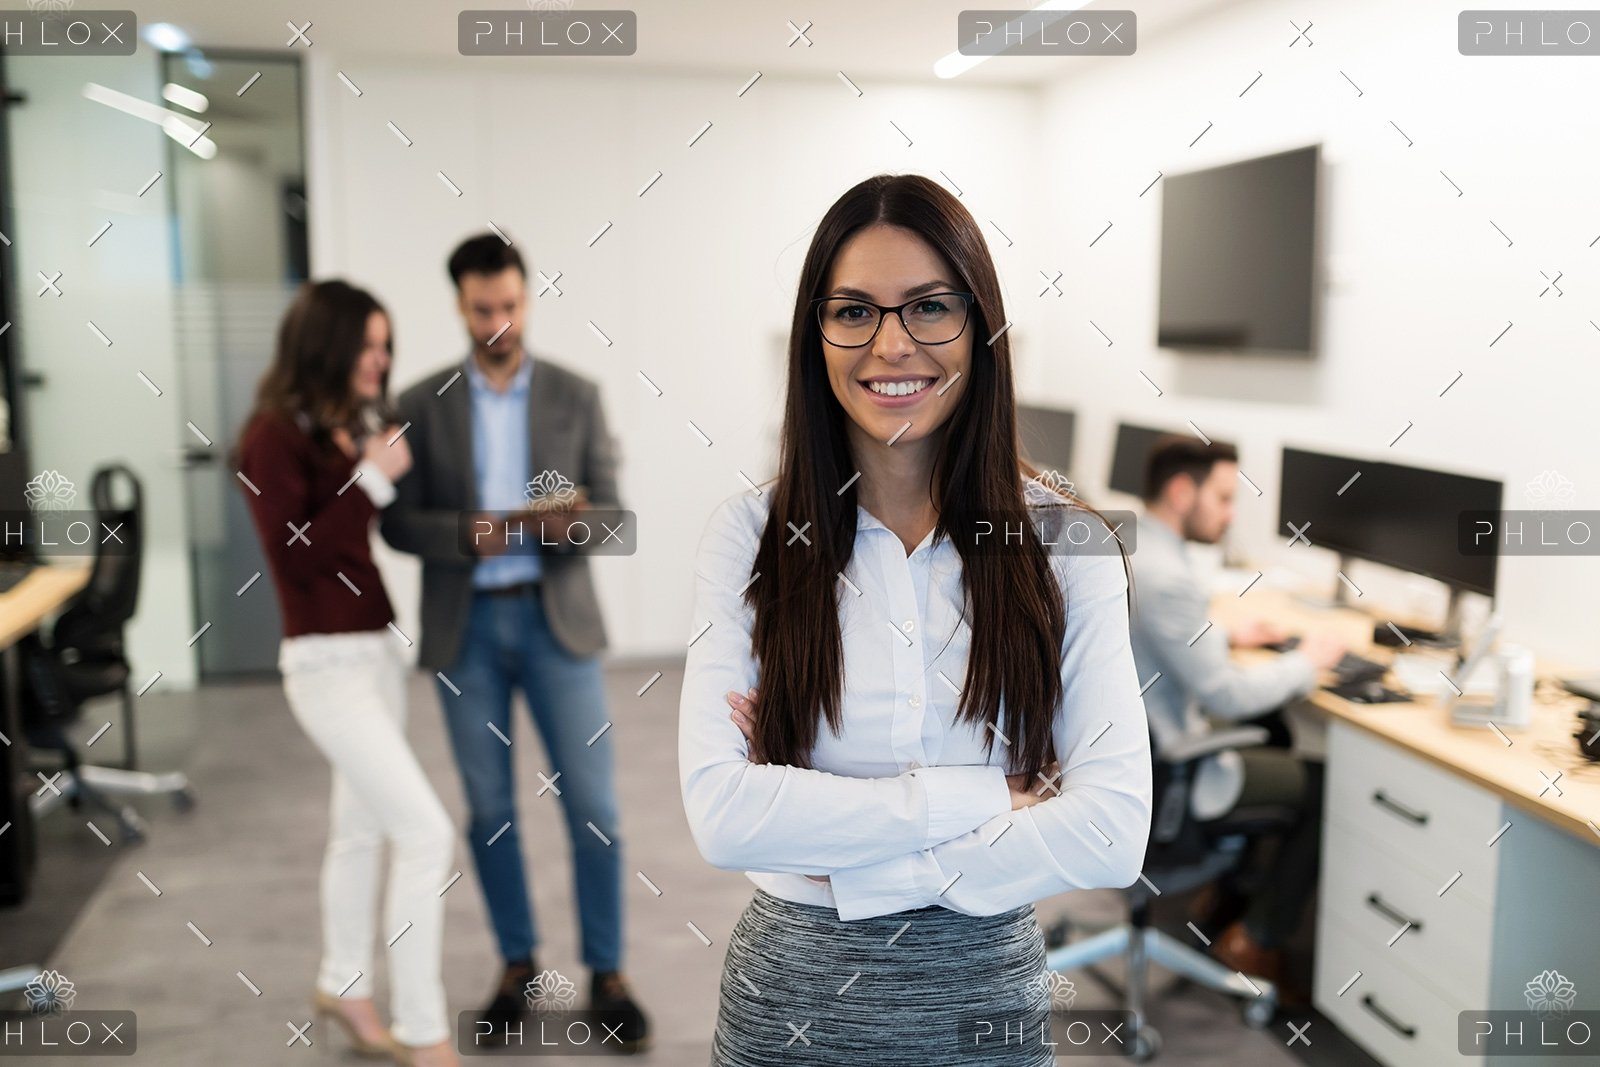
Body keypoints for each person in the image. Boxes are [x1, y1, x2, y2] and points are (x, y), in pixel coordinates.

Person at [677, 173, 1154, 1066]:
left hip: (985, 1008)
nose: (891, 344)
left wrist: (848, 852)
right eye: (854, 311)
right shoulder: (748, 538)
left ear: (979, 325)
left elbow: (1112, 831)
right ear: (815, 334)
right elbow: (726, 816)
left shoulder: (1067, 547)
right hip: (793, 1008)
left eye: (929, 307)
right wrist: (988, 797)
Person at [379, 235, 648, 1052]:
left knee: (595, 808)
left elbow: (618, 520)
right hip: (467, 632)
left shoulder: (576, 394)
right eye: (482, 309)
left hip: (554, 621)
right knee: (490, 811)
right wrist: (476, 532)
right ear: (459, 306)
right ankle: (516, 964)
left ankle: (607, 970)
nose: (499, 321)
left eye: (511, 305)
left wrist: (565, 523)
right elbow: (394, 519)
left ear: (528, 298)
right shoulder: (421, 402)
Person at [234, 280, 459, 1067]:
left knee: (360, 830)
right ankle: (426, 1032)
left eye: (386, 345)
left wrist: (371, 468)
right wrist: (370, 477)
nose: (381, 360)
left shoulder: (337, 428)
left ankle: (344, 983)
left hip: (373, 653)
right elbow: (296, 549)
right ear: (325, 346)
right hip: (325, 665)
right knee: (427, 832)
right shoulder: (269, 436)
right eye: (367, 346)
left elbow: (359, 533)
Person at [1127, 434, 1347, 992]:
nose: (1230, 516)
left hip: (1130, 750)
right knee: (1326, 787)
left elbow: (1159, 636)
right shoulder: (1169, 576)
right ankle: (1256, 937)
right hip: (1164, 764)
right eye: (1224, 499)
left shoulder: (1134, 548)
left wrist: (1224, 632)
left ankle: (1225, 892)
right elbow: (1225, 695)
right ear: (1182, 493)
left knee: (1273, 730)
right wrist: (1305, 661)